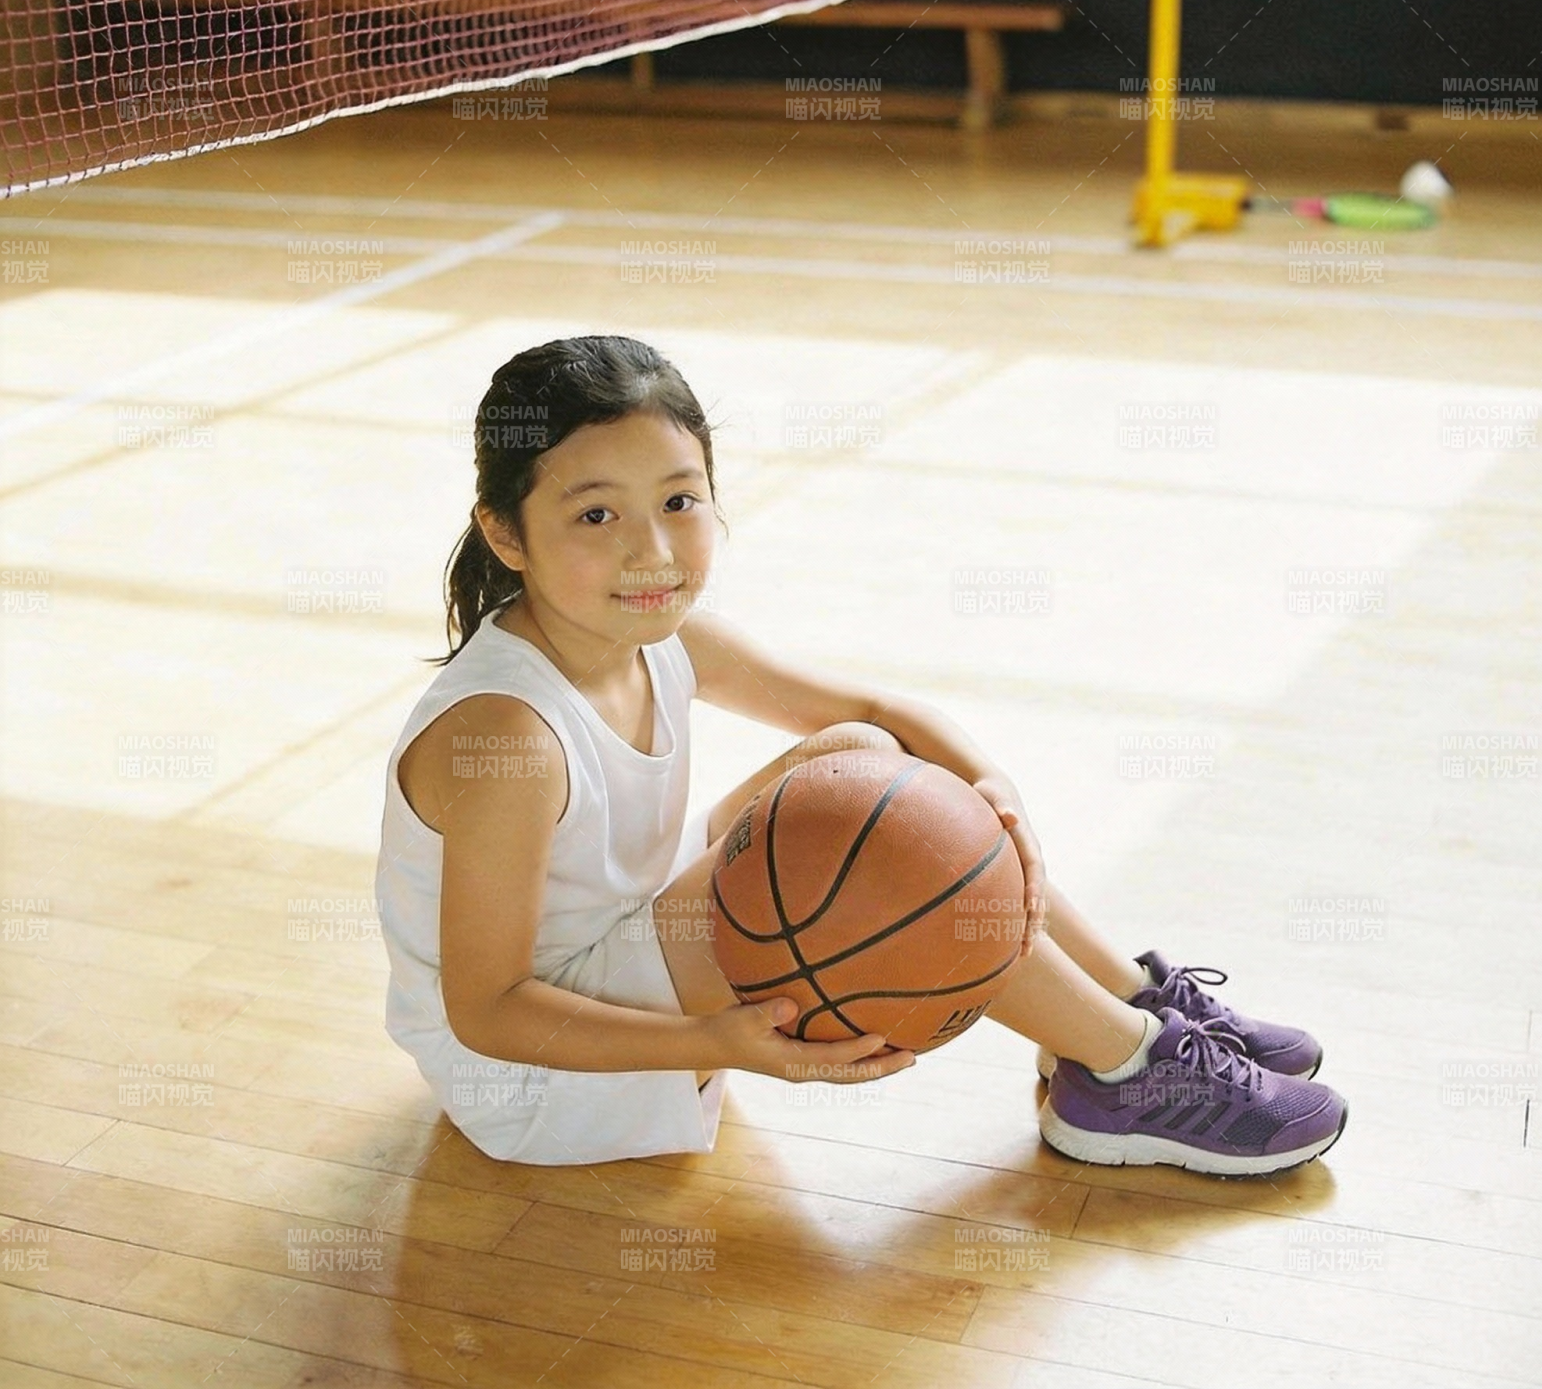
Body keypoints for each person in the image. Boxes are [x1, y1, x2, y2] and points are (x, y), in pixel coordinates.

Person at [374, 335, 1348, 1174]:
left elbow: (875, 708)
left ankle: (1131, 1005)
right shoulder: (505, 735)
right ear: (505, 533)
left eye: (678, 501)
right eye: (595, 515)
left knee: (864, 756)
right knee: (887, 850)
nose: (652, 552)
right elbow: (488, 1010)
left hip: (614, 956)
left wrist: (996, 803)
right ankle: (1125, 1070)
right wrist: (712, 1042)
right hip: (536, 1077)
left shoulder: (657, 635)